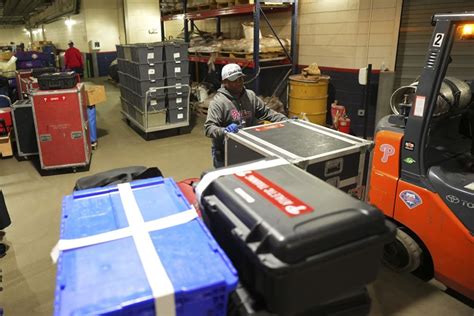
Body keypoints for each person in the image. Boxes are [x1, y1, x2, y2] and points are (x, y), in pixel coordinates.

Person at [204, 63, 287, 168]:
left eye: (240, 79)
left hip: (248, 147)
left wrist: (285, 120)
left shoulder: (250, 96)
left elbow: (266, 112)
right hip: (225, 151)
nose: (239, 83)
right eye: (234, 80)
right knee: (228, 181)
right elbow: (209, 128)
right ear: (225, 82)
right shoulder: (219, 102)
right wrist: (225, 130)